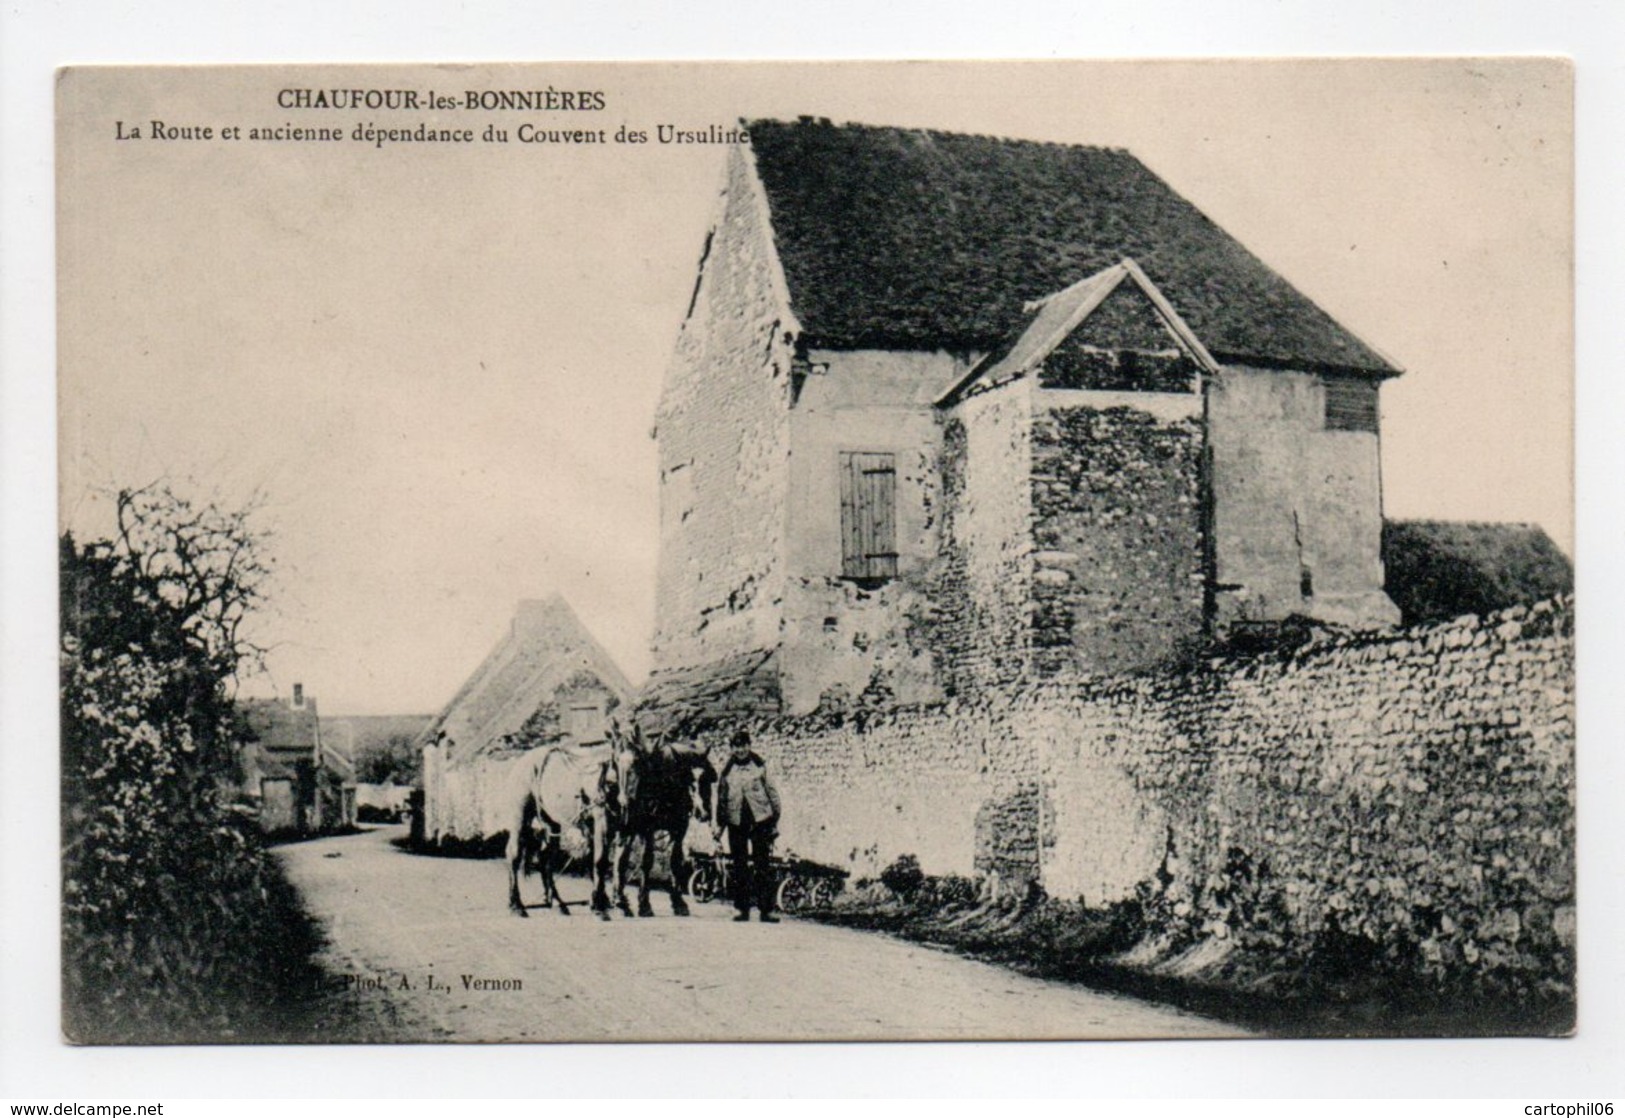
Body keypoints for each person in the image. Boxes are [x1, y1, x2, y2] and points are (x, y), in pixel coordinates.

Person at [713, 729, 782, 923]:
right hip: (736, 822)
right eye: (736, 746)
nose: (740, 749)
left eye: (743, 745)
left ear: (749, 746)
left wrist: (774, 821)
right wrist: (720, 825)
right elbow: (722, 799)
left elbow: (772, 794)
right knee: (739, 866)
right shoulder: (727, 771)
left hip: (760, 821)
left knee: (762, 865)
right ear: (732, 748)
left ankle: (766, 910)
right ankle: (741, 909)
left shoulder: (759, 766)